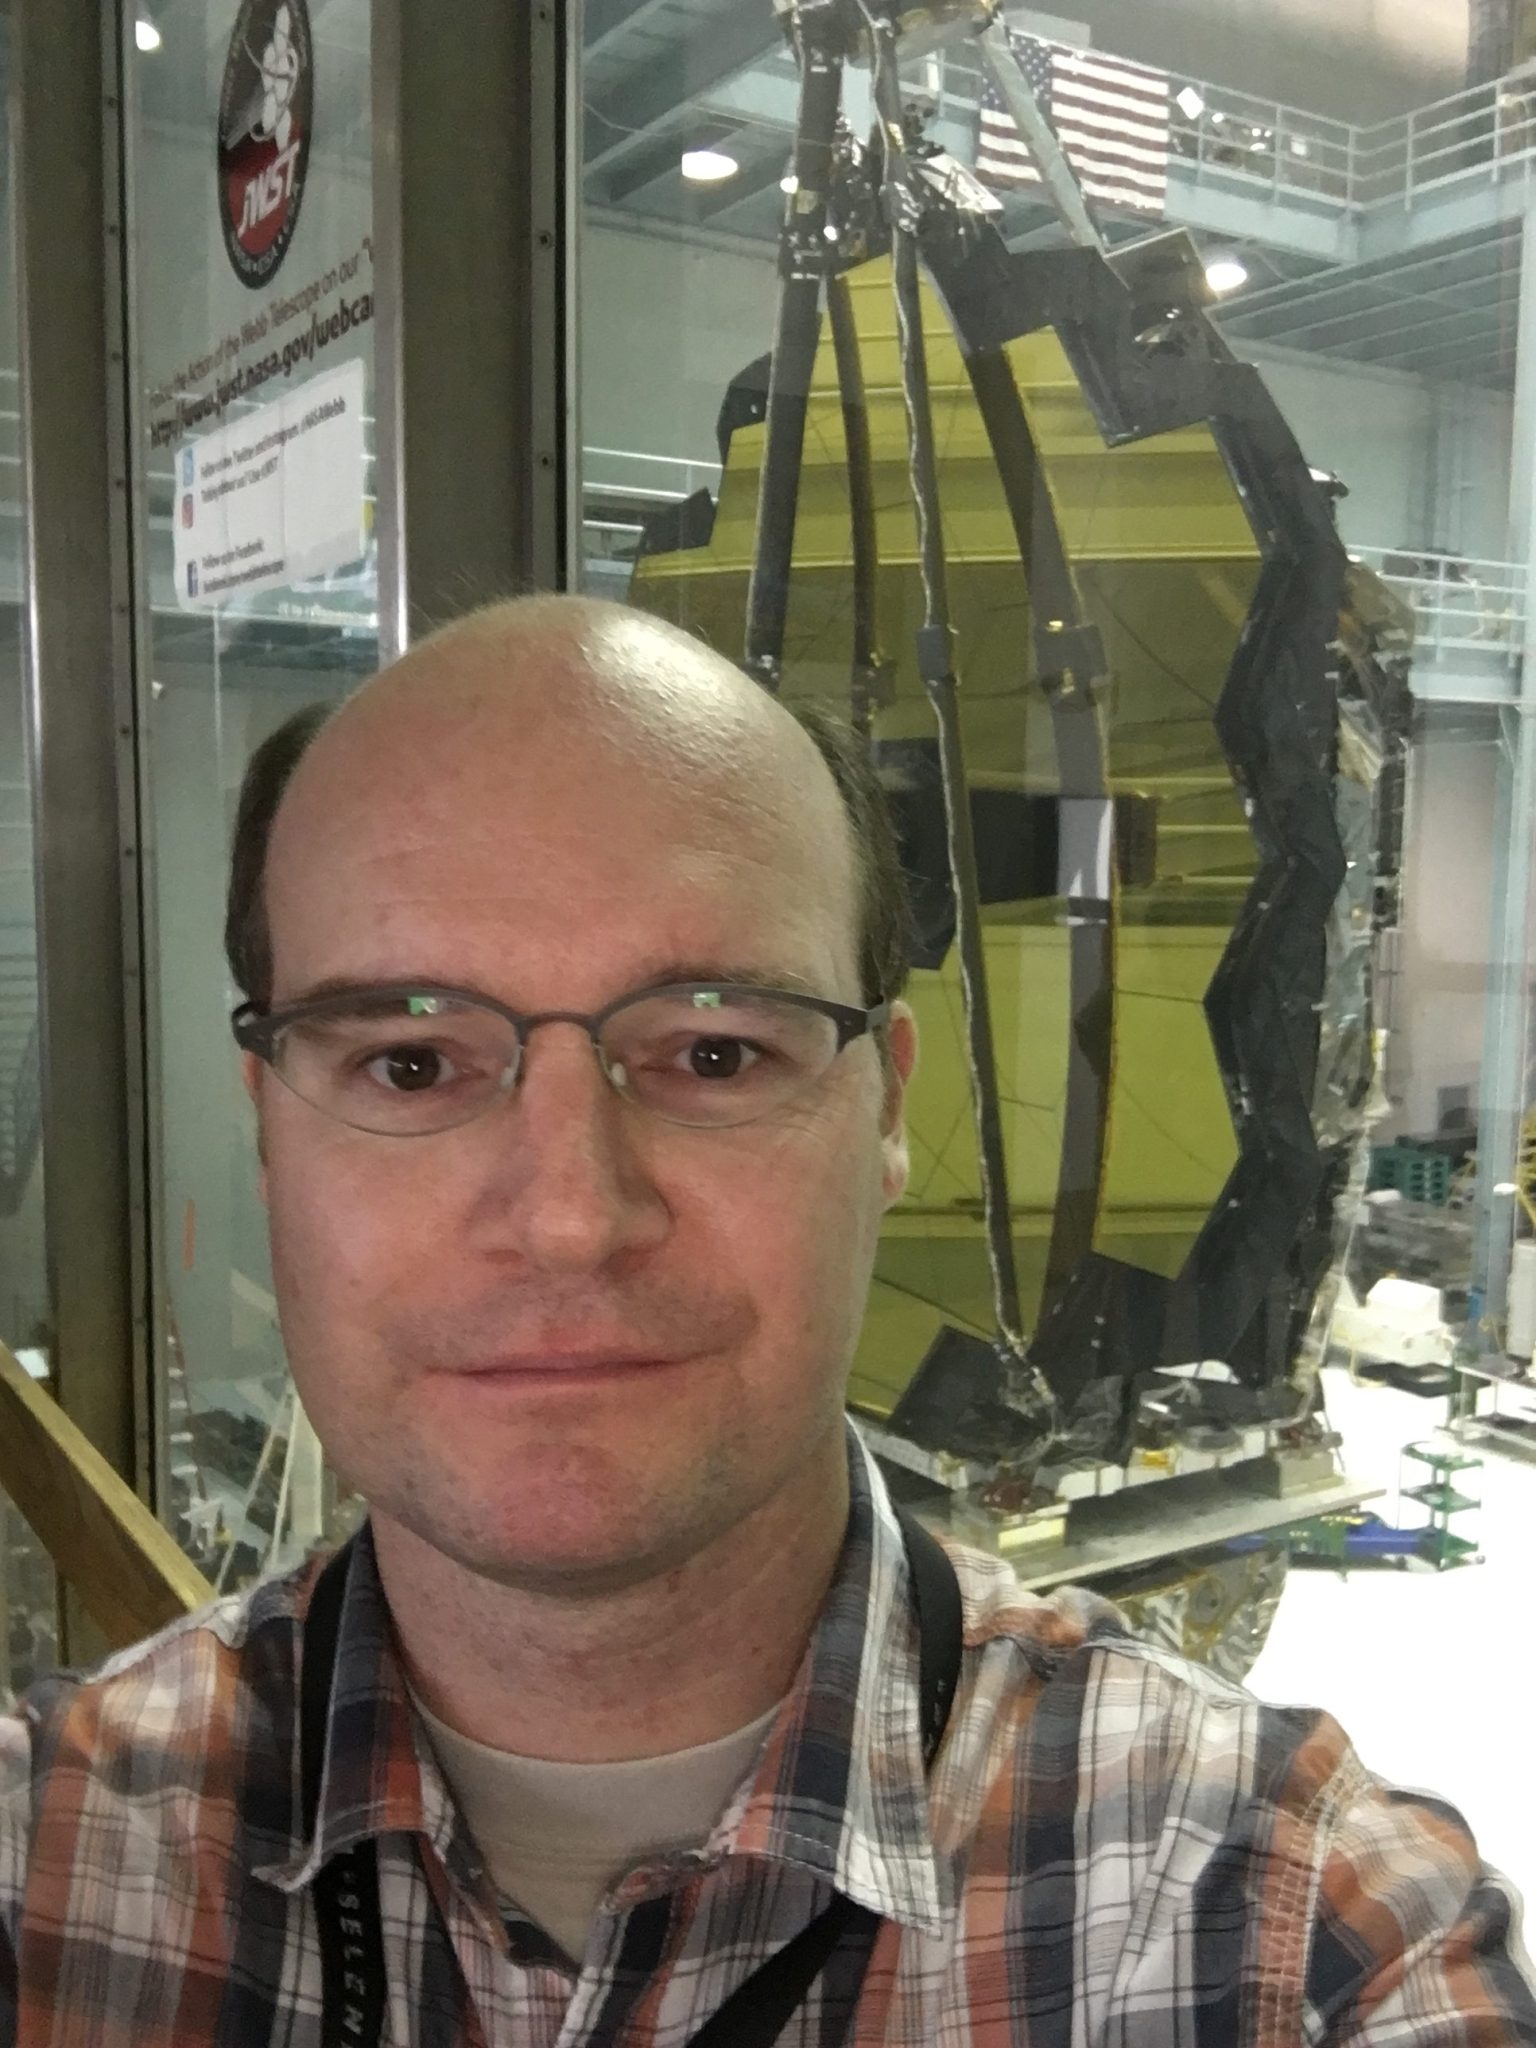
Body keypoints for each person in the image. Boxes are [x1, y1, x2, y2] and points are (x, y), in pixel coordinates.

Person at [1, 593, 1532, 2045]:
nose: (570, 1216)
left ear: (887, 1111)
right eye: (411, 1066)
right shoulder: (46, 1870)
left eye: (716, 1055)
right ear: (269, 1127)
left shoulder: (1281, 1934)